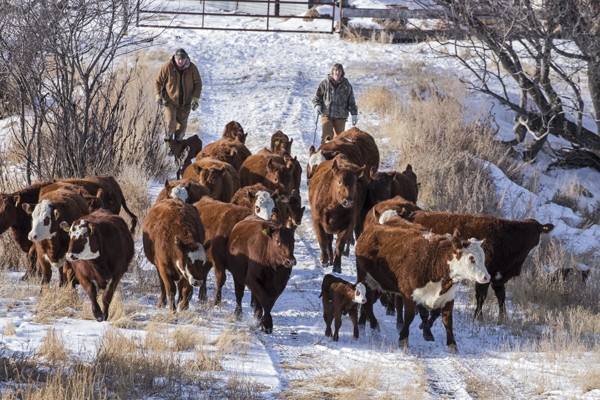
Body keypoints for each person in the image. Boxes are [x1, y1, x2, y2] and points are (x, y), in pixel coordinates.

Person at [155, 48, 202, 141]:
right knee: (170, 124)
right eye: (178, 59)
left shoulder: (192, 68)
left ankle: (177, 146)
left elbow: (198, 84)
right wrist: (158, 96)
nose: (180, 61)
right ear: (175, 58)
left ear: (186, 59)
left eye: (182, 59)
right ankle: (168, 145)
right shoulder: (167, 67)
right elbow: (158, 82)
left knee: (181, 128)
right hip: (170, 102)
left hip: (186, 103)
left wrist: (195, 99)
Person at [312, 63, 358, 144]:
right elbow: (317, 97)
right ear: (332, 72)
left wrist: (354, 114)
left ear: (342, 73)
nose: (337, 73)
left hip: (341, 117)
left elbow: (351, 102)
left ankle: (336, 155)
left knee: (339, 140)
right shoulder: (325, 83)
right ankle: (325, 155)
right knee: (326, 138)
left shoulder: (347, 85)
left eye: (339, 71)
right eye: (336, 70)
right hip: (327, 115)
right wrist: (317, 105)